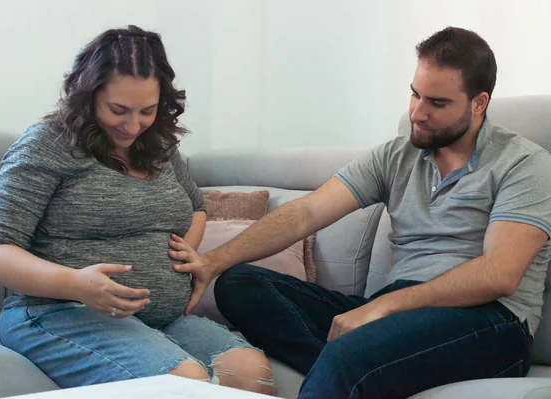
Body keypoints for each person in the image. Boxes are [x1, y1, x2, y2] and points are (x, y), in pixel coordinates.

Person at [168, 26, 551, 398]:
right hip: (401, 312)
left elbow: (500, 273)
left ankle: (355, 367)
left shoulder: (524, 164)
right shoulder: (396, 155)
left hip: (490, 323)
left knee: (351, 354)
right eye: (415, 95)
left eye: (437, 103)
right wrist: (214, 260)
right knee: (240, 285)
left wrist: (381, 308)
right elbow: (307, 212)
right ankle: (366, 373)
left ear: (479, 102)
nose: (418, 113)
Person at [0, 25, 274, 394]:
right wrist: (77, 284)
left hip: (161, 319)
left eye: (147, 110)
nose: (133, 125)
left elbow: (196, 207)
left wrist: (187, 254)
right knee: (184, 384)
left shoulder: (159, 144)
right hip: (59, 311)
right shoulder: (48, 143)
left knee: (250, 372)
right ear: (88, 95)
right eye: (119, 110)